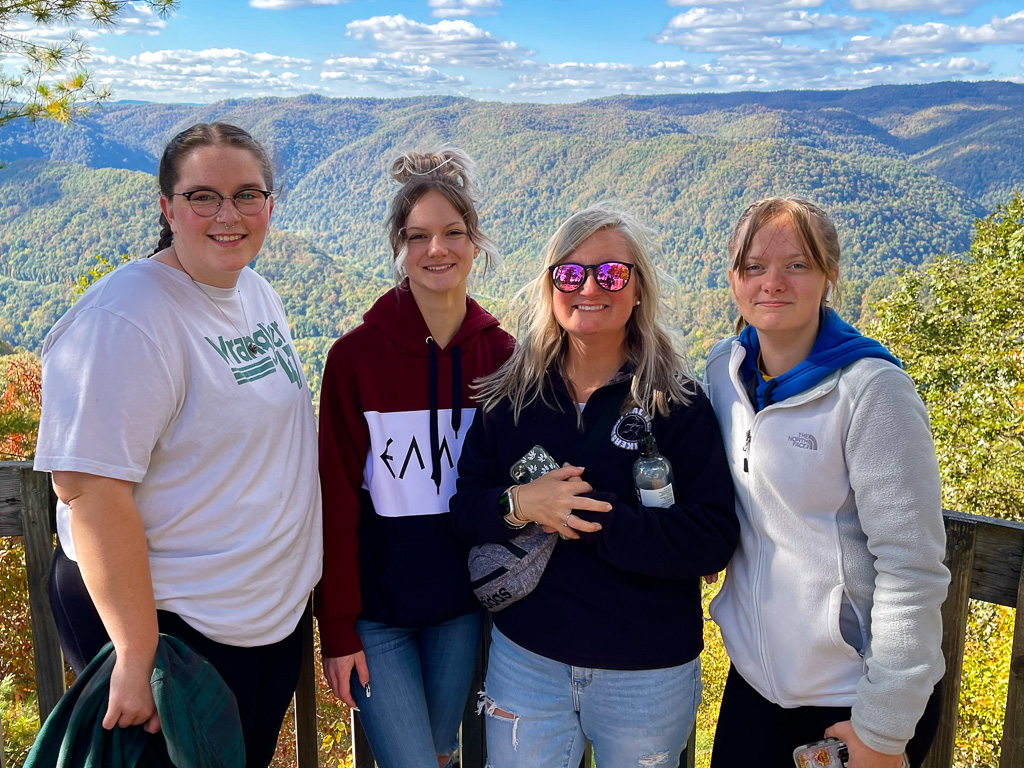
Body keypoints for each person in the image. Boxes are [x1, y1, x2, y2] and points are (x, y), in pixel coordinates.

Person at [33, 122, 322, 768]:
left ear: (271, 206)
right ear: (168, 208)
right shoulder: (127, 318)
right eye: (203, 197)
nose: (229, 214)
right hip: (178, 633)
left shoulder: (254, 292)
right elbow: (87, 489)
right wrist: (136, 654)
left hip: (261, 622)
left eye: (248, 195)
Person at [450, 203, 739, 767]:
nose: (589, 287)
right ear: (550, 286)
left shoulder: (676, 403)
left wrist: (591, 519)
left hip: (646, 672)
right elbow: (465, 512)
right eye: (570, 273)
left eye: (611, 274)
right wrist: (521, 505)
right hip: (527, 661)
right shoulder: (512, 396)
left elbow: (713, 534)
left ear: (636, 291)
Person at [703, 197, 950, 768]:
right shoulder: (725, 371)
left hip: (852, 696)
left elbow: (911, 564)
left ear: (829, 275)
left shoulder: (871, 392)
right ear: (734, 279)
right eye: (754, 266)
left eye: (797, 265)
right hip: (756, 685)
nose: (773, 282)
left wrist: (884, 730)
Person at [314, 148, 514, 768]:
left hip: (460, 607)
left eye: (453, 233)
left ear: (475, 243)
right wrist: (338, 628)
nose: (438, 249)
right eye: (419, 236)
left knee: (440, 752)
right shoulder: (356, 360)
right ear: (399, 248)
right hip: (377, 614)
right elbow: (337, 499)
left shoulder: (502, 355)